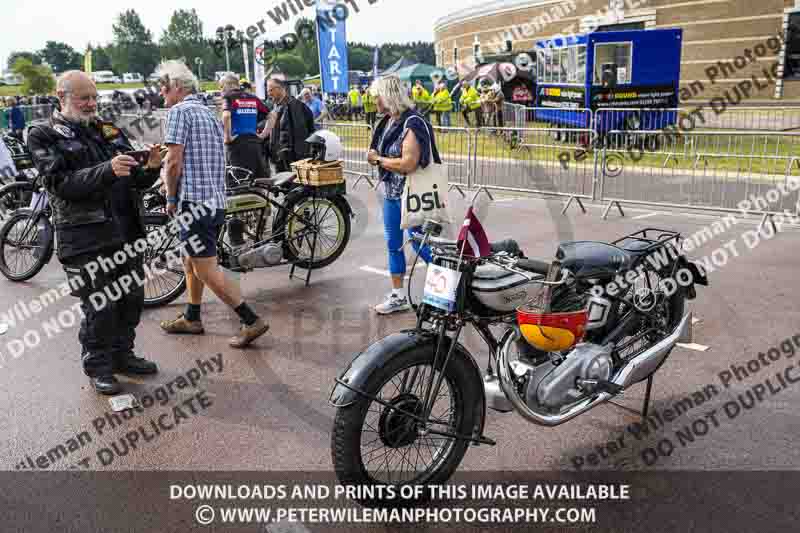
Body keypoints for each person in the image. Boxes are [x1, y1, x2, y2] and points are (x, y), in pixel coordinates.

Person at [27, 70, 162, 395]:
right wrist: (107, 170)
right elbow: (61, 184)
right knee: (101, 306)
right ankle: (99, 365)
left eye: (94, 97)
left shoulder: (107, 128)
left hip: (126, 231)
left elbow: (136, 181)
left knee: (131, 300)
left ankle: (122, 355)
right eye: (83, 98)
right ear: (61, 97)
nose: (91, 104)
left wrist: (151, 167)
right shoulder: (42, 134)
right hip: (84, 238)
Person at [156, 60, 269, 348]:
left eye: (163, 87)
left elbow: (174, 162)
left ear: (177, 87)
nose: (161, 93)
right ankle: (192, 317)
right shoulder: (208, 113)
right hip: (214, 201)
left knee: (205, 268)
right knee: (190, 259)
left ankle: (250, 320)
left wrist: (171, 197)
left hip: (193, 202)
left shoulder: (179, 112)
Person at [367, 75, 439, 315]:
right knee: (393, 245)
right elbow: (379, 149)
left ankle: (450, 291)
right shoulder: (388, 121)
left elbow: (408, 163)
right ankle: (398, 296)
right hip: (392, 193)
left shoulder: (412, 122)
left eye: (376, 96)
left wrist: (378, 159)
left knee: (422, 245)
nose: (374, 101)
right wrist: (376, 155)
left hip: (414, 194)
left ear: (388, 96)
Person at [219, 74, 271, 182]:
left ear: (229, 84)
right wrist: (263, 135)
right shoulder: (253, 98)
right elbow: (272, 115)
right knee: (258, 181)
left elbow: (226, 116)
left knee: (238, 183)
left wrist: (227, 137)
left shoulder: (228, 97)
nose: (221, 90)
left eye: (221, 86)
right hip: (255, 144)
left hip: (236, 144)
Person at [264, 75, 315, 173]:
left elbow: (308, 131)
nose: (269, 94)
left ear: (280, 88)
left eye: (271, 90)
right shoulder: (275, 108)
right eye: (268, 91)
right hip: (279, 160)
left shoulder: (298, 107)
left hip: (294, 160)